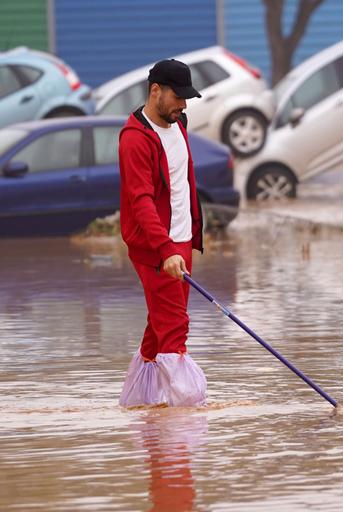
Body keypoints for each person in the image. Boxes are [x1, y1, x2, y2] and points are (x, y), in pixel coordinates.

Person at [118, 59, 207, 408]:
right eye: (178, 96)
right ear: (155, 90)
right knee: (174, 327)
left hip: (181, 242)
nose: (183, 105)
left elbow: (182, 185)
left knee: (159, 328)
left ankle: (143, 407)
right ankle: (184, 424)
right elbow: (140, 201)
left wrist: (186, 241)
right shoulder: (134, 140)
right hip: (157, 248)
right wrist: (165, 249)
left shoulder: (178, 122)